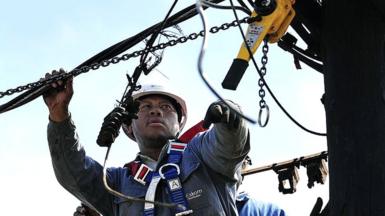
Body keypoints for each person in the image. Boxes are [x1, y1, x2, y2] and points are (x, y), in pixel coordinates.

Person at [44, 69, 250, 216]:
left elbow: (231, 144)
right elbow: (73, 172)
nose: (156, 110)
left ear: (180, 123)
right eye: (144, 107)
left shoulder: (202, 155)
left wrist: (229, 115)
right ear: (127, 127)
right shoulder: (117, 183)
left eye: (166, 107)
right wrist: (58, 113)